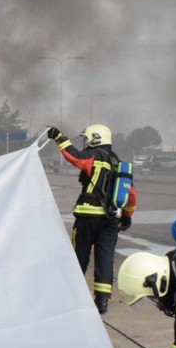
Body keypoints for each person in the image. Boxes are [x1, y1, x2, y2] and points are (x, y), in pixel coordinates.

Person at [46, 124, 137, 314]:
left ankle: (73, 296)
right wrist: (127, 218)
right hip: (111, 220)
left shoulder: (95, 156)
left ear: (95, 139)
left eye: (87, 139)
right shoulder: (118, 163)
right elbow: (132, 195)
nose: (85, 143)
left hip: (88, 217)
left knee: (79, 257)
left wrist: (58, 137)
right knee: (105, 259)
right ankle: (102, 301)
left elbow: (75, 157)